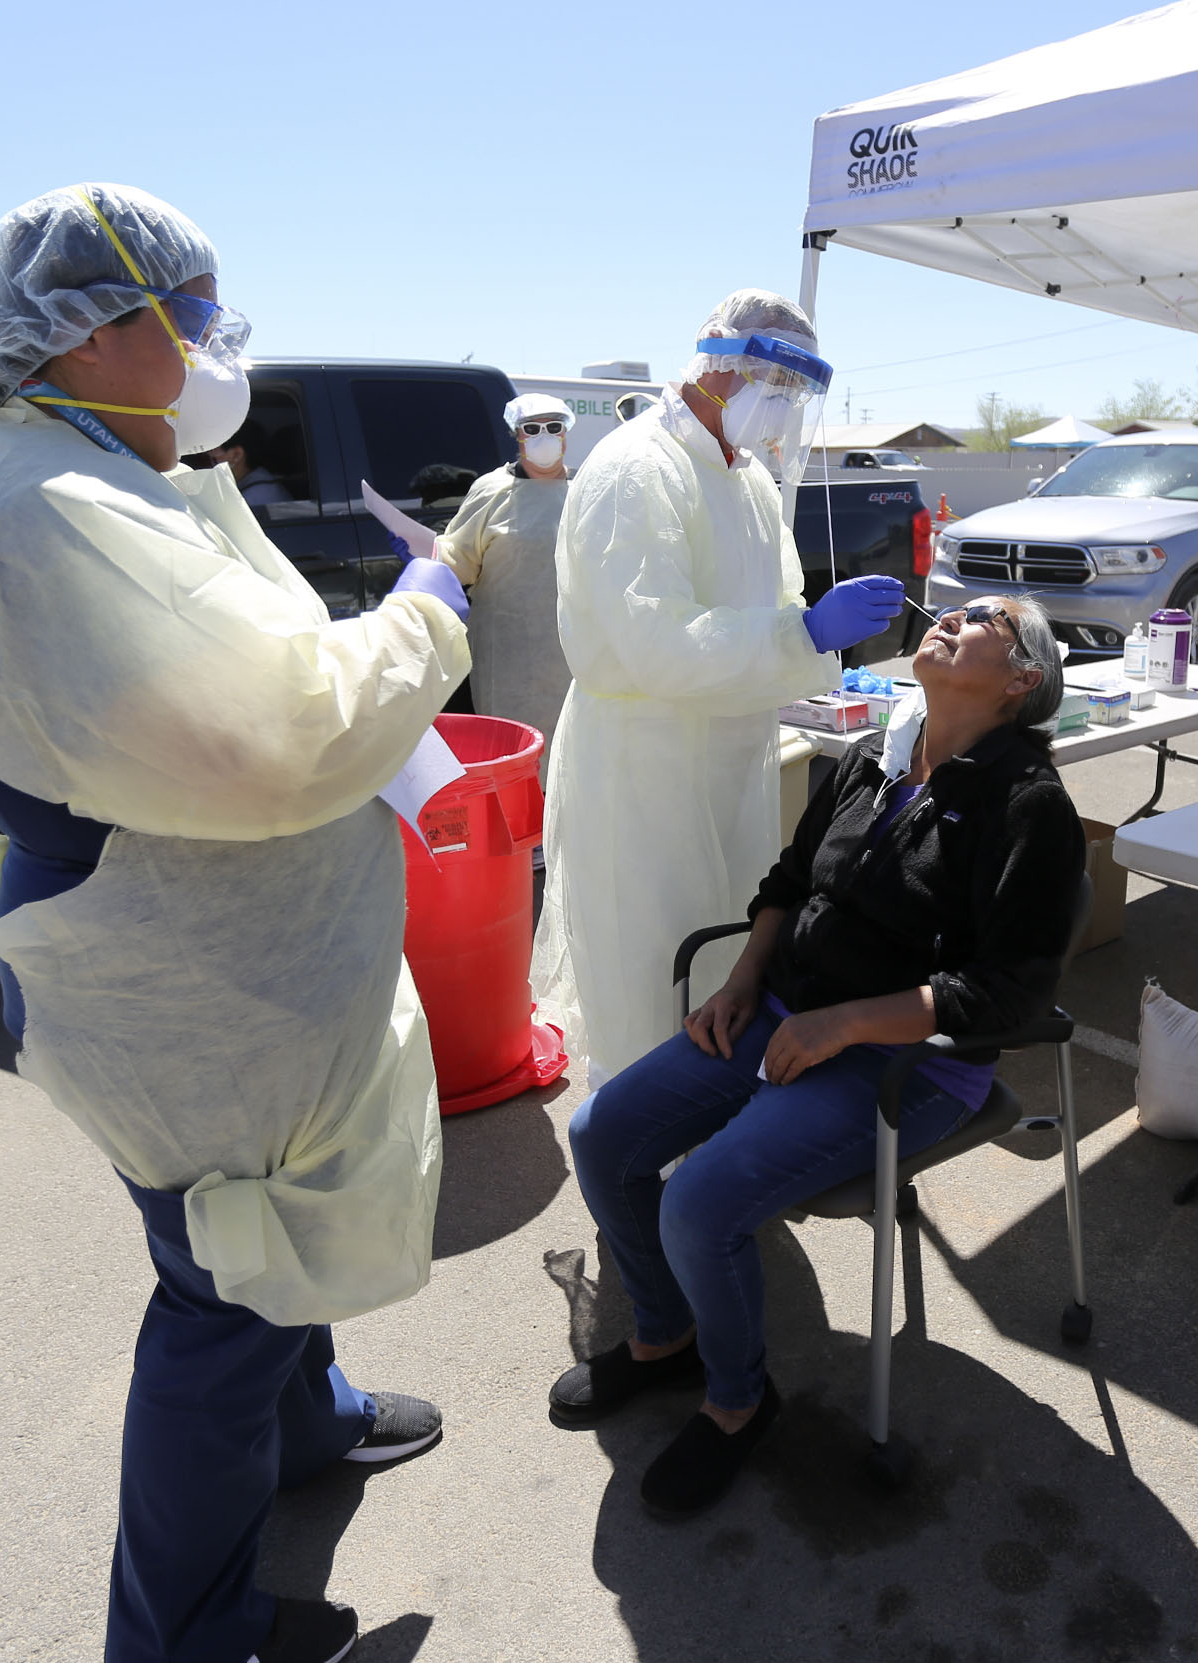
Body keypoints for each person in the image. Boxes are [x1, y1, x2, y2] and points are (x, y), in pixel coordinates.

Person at [0, 184, 473, 1663]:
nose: (216, 338)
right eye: (189, 311)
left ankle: (312, 1422)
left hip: (237, 968)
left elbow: (225, 671)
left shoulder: (106, 471)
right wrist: (427, 609)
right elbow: (277, 738)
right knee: (223, 1290)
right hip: (194, 990)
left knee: (272, 1237)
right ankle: (184, 1635)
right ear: (83, 329)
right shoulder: (52, 511)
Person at [552, 595, 1083, 1516]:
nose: (952, 611)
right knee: (602, 1132)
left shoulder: (1028, 805)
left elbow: (1003, 995)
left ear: (1021, 679)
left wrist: (844, 1026)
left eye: (986, 616)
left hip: (910, 1063)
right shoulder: (875, 756)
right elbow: (790, 883)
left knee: (699, 1200)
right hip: (784, 1013)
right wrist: (743, 981)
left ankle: (737, 1401)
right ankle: (666, 1335)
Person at [531, 290, 906, 1083]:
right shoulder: (635, 470)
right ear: (721, 367)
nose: (783, 410)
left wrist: (813, 643)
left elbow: (776, 609)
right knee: (649, 969)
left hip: (732, 756)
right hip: (641, 764)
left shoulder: (749, 484)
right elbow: (656, 644)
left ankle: (706, 1150)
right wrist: (800, 637)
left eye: (797, 396)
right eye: (777, 385)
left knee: (726, 954)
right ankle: (635, 1165)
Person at [434, 391, 577, 758]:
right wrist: (428, 555)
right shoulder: (493, 492)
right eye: (532, 428)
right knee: (514, 756)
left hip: (573, 655)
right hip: (508, 657)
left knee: (570, 755)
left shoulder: (584, 490)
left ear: (565, 433)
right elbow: (458, 562)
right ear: (518, 435)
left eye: (553, 426)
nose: (543, 435)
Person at [205, 416, 292, 506]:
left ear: (237, 454)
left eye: (214, 456)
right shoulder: (259, 481)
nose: (210, 461)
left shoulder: (255, 495)